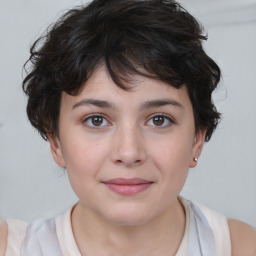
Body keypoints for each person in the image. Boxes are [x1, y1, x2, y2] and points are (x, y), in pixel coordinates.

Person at [0, 0, 256, 255]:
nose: (129, 152)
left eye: (159, 120)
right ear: (55, 141)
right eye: (96, 120)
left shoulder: (243, 248)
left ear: (196, 139)